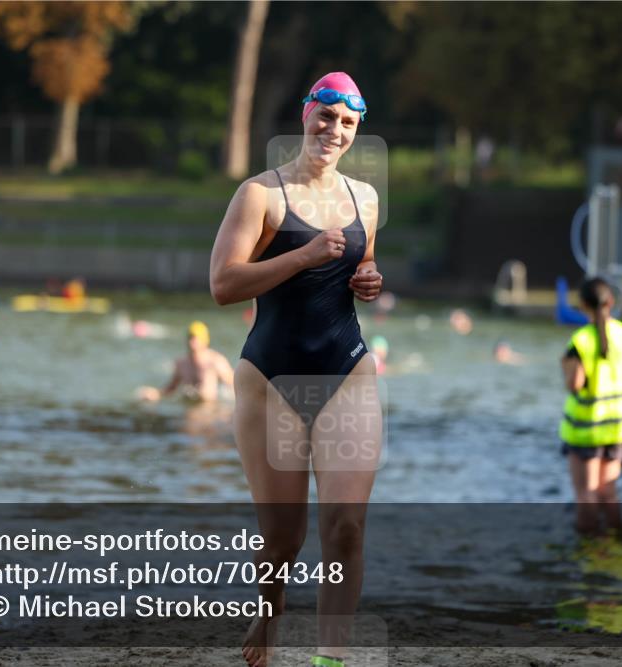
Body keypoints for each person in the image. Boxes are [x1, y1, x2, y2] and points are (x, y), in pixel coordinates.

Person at [209, 71, 382, 667]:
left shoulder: (365, 199)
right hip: (271, 380)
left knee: (346, 526)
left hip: (347, 371)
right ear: (305, 114)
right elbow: (223, 284)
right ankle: (270, 609)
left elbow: (362, 265)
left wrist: (369, 280)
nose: (334, 130)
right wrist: (304, 255)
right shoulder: (260, 194)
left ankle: (330, 659)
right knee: (284, 538)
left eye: (348, 123)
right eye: (326, 116)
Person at [559, 278, 622, 533]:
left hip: (586, 429)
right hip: (617, 427)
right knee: (609, 491)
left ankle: (589, 547)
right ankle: (615, 540)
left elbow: (575, 384)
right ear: (610, 302)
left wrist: (565, 368)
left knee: (586, 493)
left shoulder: (582, 340)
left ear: (582, 305)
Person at [138, 321, 234, 403]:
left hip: (210, 408)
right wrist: (155, 394)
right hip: (190, 407)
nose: (191, 342)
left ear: (204, 340)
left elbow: (234, 385)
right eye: (190, 338)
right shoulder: (181, 363)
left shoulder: (215, 361)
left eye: (195, 338)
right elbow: (171, 389)